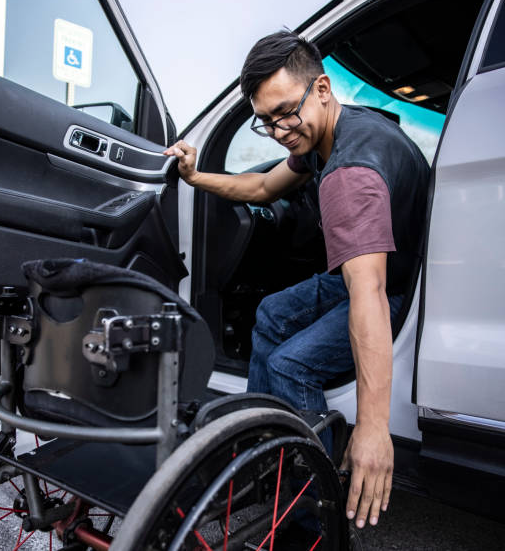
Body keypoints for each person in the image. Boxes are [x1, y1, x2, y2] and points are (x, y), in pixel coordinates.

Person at [163, 30, 430, 530]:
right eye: (266, 121)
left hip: (394, 291)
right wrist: (197, 178)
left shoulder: (349, 174)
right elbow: (263, 186)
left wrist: (373, 429)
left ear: (323, 89)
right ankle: (267, 452)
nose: (281, 129)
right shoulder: (332, 133)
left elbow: (369, 295)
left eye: (287, 111)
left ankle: (307, 515)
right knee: (270, 312)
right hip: (374, 276)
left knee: (290, 366)